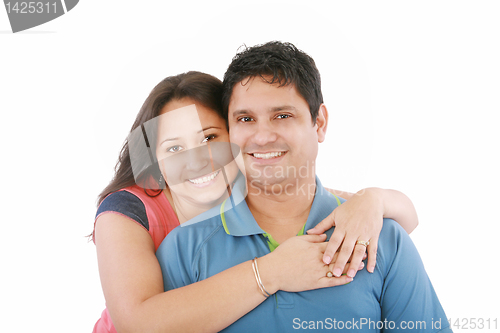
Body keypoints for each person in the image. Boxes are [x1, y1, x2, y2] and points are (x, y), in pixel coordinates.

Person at [157, 42, 452, 332]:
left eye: (282, 116)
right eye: (246, 119)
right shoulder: (183, 249)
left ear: (319, 122)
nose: (261, 137)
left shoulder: (384, 239)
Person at [93, 71, 419, 332]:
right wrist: (274, 271)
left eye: (209, 137)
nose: (198, 161)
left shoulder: (248, 177)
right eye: (174, 149)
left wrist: (372, 200)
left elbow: (397, 216)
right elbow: (137, 323)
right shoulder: (127, 212)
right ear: (154, 159)